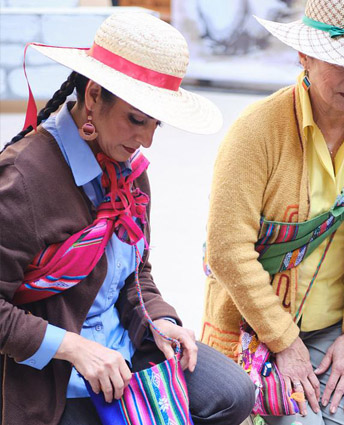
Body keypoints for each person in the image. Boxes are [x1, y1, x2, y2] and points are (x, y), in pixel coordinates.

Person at [0, 11, 255, 425]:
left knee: (232, 393)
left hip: (126, 346)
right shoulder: (24, 178)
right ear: (95, 95)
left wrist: (161, 318)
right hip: (55, 373)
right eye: (137, 120)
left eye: (156, 124)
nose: (146, 140)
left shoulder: (131, 173)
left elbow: (137, 274)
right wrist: (74, 347)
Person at [201, 0, 344, 424]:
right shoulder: (258, 129)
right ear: (303, 55)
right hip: (256, 325)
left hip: (338, 330)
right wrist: (284, 341)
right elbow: (227, 248)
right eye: (341, 62)